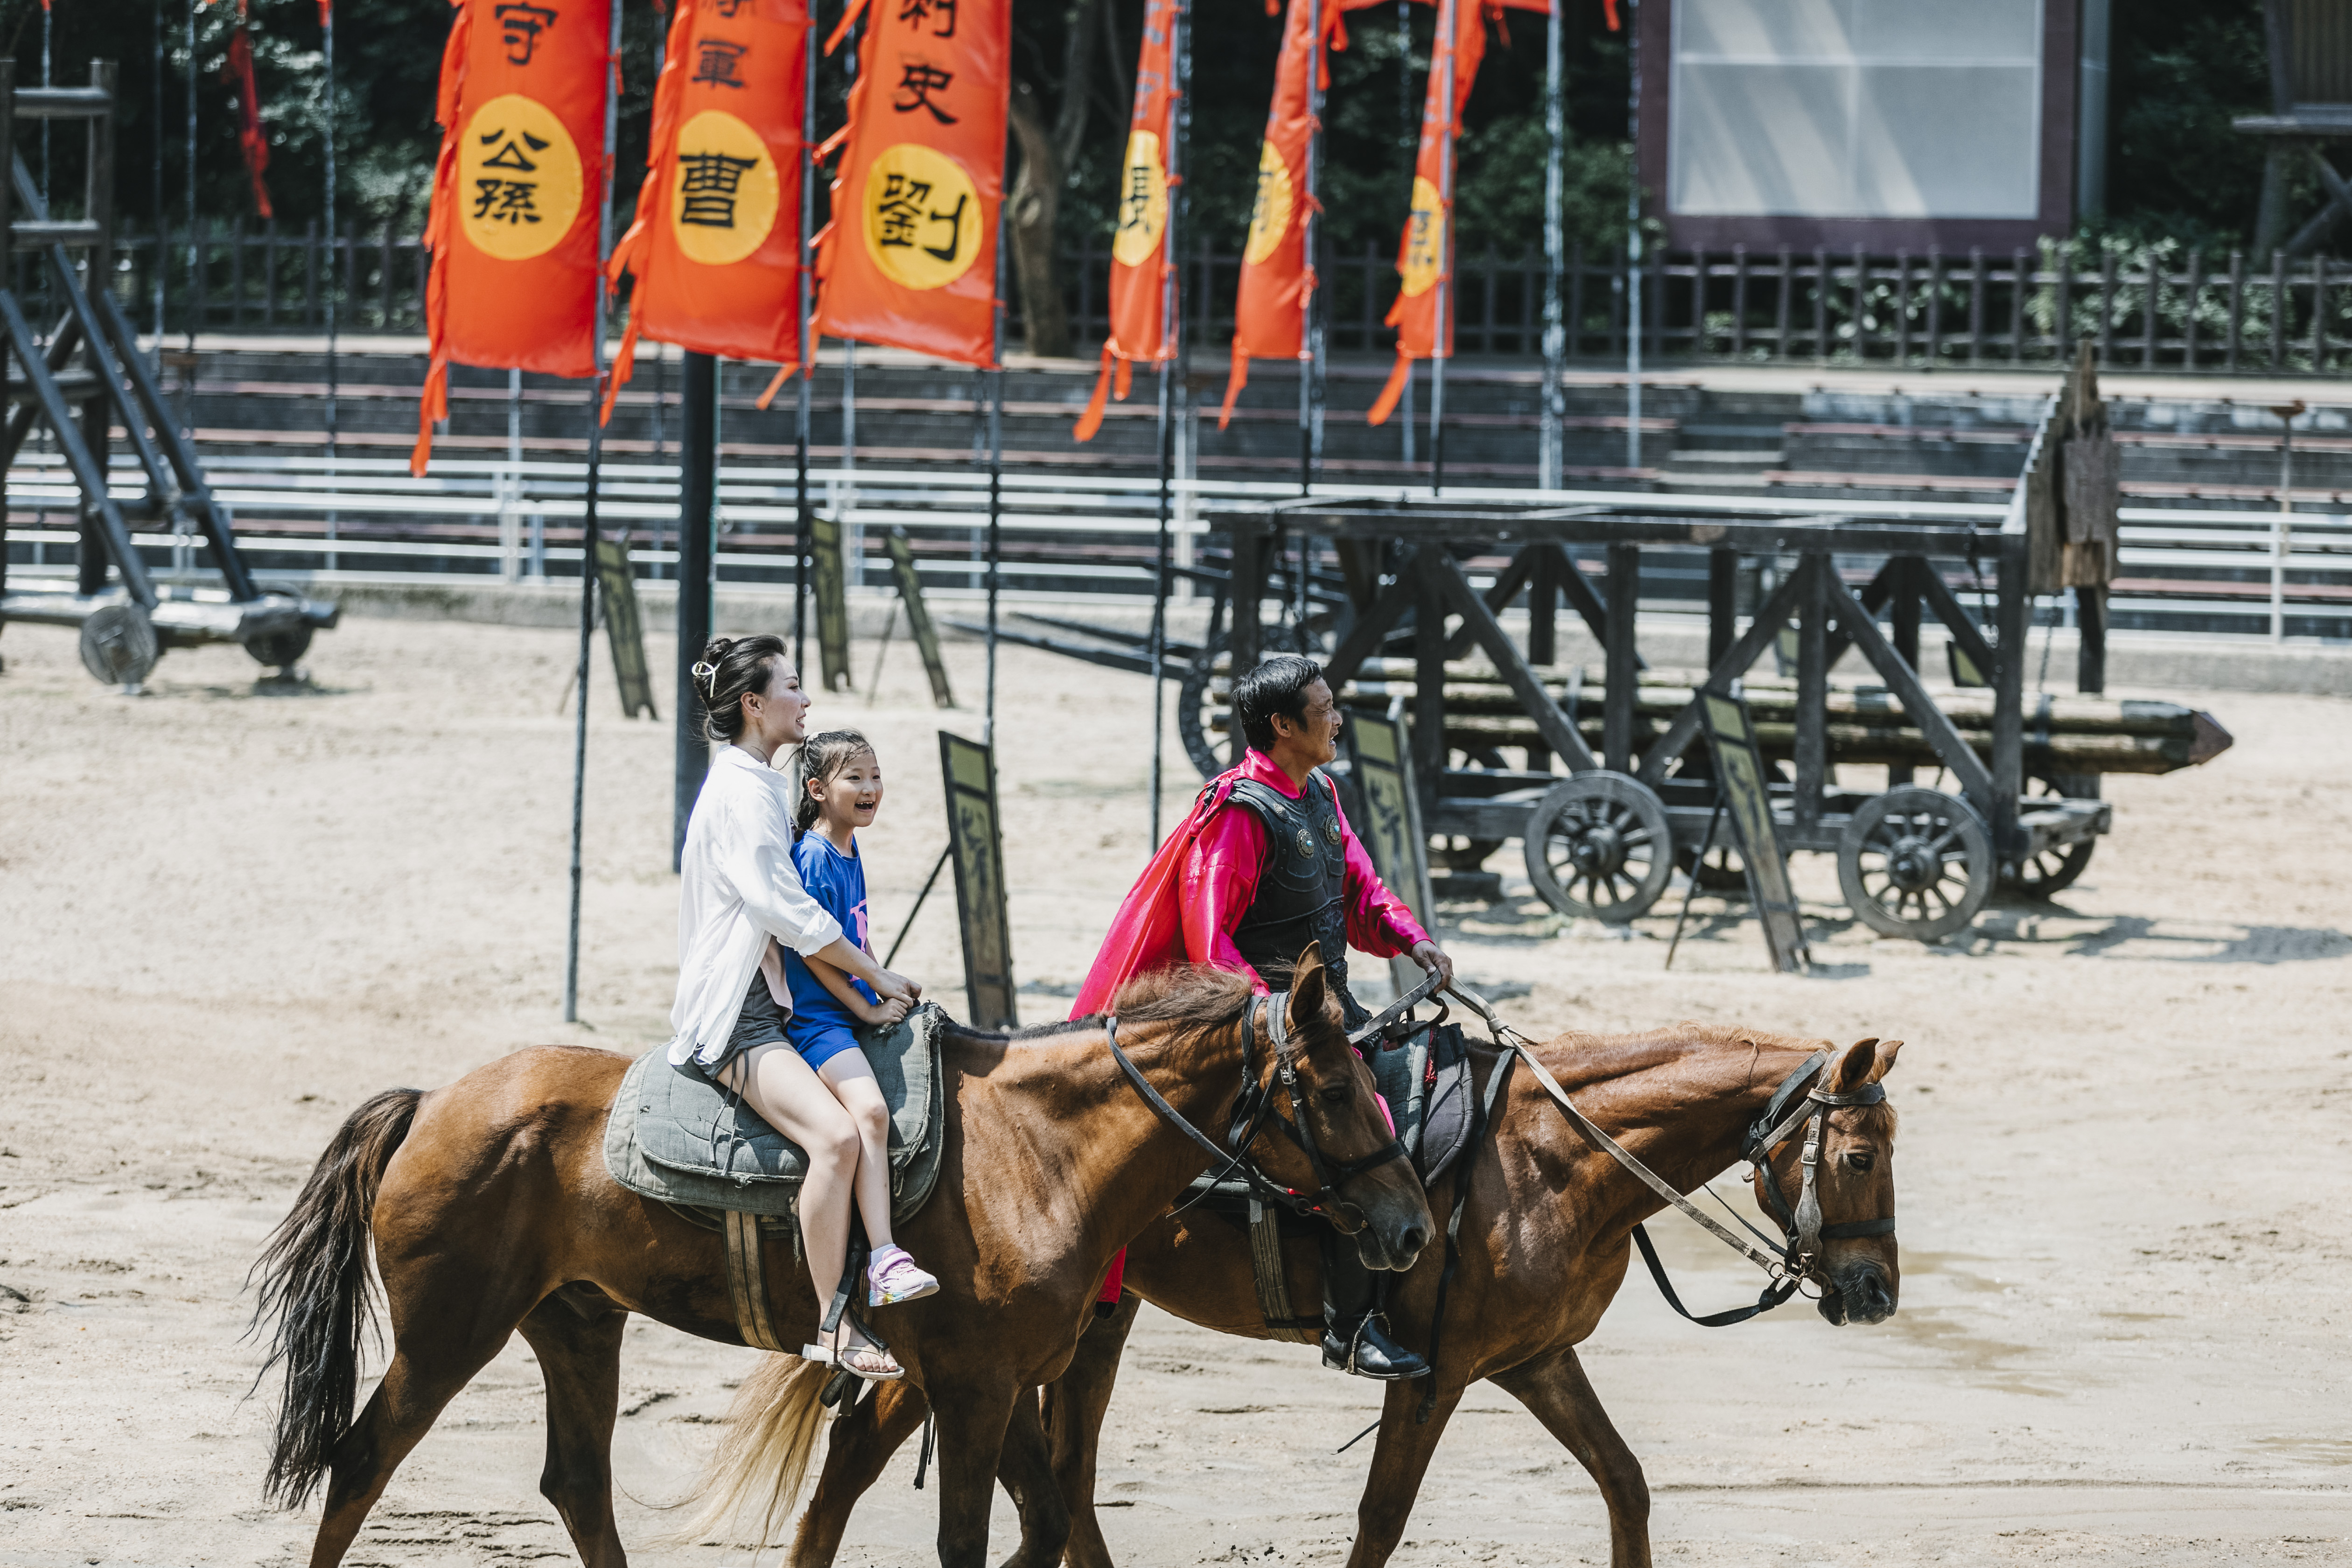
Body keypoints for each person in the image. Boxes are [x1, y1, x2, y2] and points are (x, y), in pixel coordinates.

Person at [1073, 653, 1456, 1379]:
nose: (1337, 718)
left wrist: (1414, 938)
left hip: (1320, 1013)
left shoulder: (1320, 793)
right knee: (1356, 1126)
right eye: (1324, 708)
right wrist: (1277, 1017)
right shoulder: (1240, 814)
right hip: (1260, 1026)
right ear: (1283, 725)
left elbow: (1361, 893)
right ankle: (1353, 1324)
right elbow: (1209, 941)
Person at [668, 635, 924, 1382]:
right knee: (839, 1139)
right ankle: (833, 1323)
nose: (805, 699)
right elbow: (787, 911)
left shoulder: (753, 782)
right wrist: (873, 975)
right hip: (739, 1015)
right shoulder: (745, 790)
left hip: (767, 998)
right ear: (754, 704)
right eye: (792, 686)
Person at [782, 728, 940, 1315]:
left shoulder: (848, 847)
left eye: (875, 776)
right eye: (855, 778)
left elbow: (854, 943)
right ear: (818, 789)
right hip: (818, 1022)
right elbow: (815, 951)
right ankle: (884, 1258)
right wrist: (868, 1006)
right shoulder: (818, 855)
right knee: (871, 1113)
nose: (870, 788)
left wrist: (884, 977)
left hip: (846, 1009)